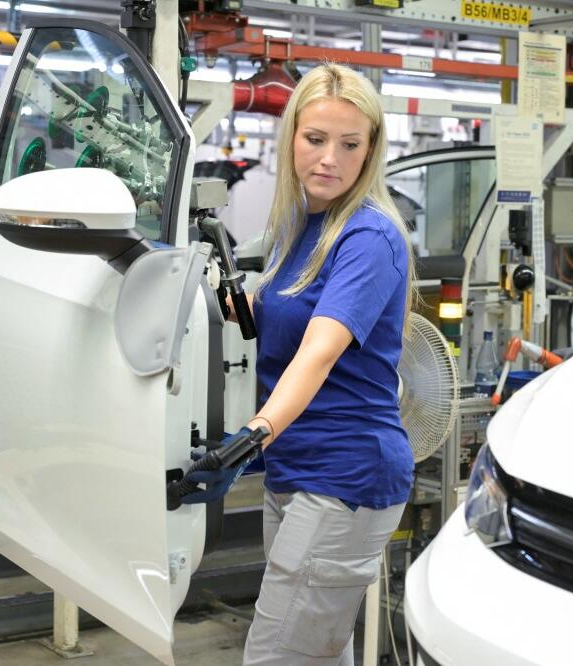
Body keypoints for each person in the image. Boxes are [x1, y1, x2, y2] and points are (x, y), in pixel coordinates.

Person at [185, 63, 416, 666]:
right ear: (291, 138)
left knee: (275, 655)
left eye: (350, 144)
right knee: (315, 651)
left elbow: (317, 354)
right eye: (316, 139)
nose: (329, 159)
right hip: (297, 467)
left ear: (371, 152)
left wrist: (254, 434)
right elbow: (271, 314)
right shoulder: (298, 227)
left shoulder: (368, 237)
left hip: (346, 473)